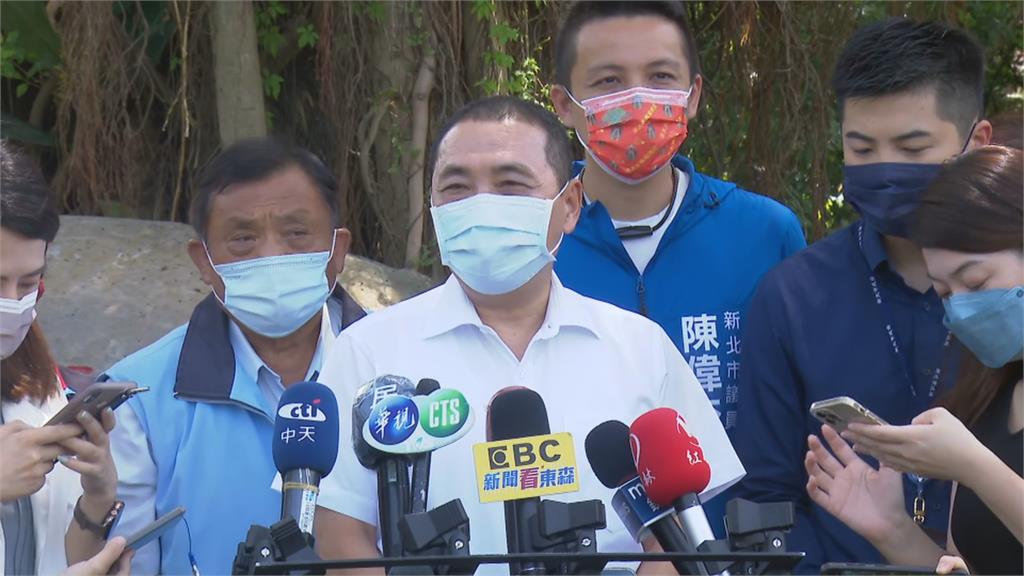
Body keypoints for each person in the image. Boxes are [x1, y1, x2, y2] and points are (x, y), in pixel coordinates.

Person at [313, 96, 744, 575]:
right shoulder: (369, 352)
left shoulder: (641, 348)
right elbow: (340, 537)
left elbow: (674, 537)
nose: (481, 204)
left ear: (570, 206)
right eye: (456, 187)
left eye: (511, 184)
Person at [732, 19, 992, 573]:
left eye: (912, 148)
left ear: (977, 142)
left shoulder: (1009, 299)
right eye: (862, 147)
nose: (885, 170)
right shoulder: (792, 296)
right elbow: (768, 495)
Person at [103, 138, 366, 574]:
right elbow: (129, 562)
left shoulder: (398, 369)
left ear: (337, 251)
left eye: (296, 234)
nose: (272, 256)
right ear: (203, 262)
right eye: (243, 239)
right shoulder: (138, 399)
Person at [549, 0, 806, 431]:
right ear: (564, 104)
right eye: (609, 80)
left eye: (660, 77)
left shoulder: (765, 234)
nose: (638, 99)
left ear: (693, 96)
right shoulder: (536, 241)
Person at [806, 146, 1023, 575]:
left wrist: (972, 465)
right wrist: (893, 529)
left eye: (976, 281)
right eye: (945, 292)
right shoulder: (988, 396)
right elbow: (969, 568)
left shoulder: (969, 455)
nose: (961, 308)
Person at [0, 141, 132, 574]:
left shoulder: (34, 379)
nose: (12, 304)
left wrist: (97, 496)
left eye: (27, 283)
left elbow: (63, 552)